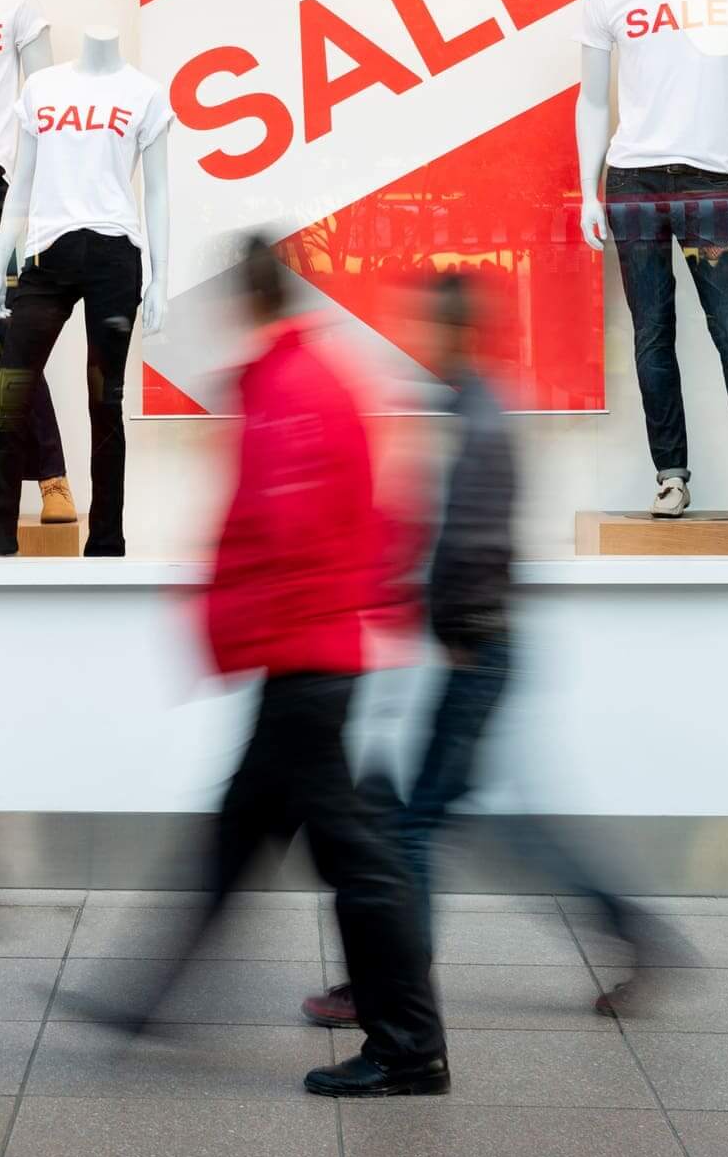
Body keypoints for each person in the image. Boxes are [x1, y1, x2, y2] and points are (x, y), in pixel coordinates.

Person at [67, 239, 450, 1097]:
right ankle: (143, 998)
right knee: (238, 840)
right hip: (306, 653)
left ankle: (409, 1046)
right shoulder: (309, 378)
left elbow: (287, 528)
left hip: (306, 657)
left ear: (246, 298)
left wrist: (239, 625)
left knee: (356, 857)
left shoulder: (290, 390)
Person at [301, 273, 681, 1028]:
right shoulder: (463, 408)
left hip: (477, 652)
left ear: (460, 333)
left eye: (431, 330)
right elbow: (439, 534)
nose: (420, 342)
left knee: (414, 824)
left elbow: (472, 541)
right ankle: (632, 934)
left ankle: (391, 982)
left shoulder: (477, 416)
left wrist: (451, 632)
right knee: (485, 826)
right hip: (477, 647)